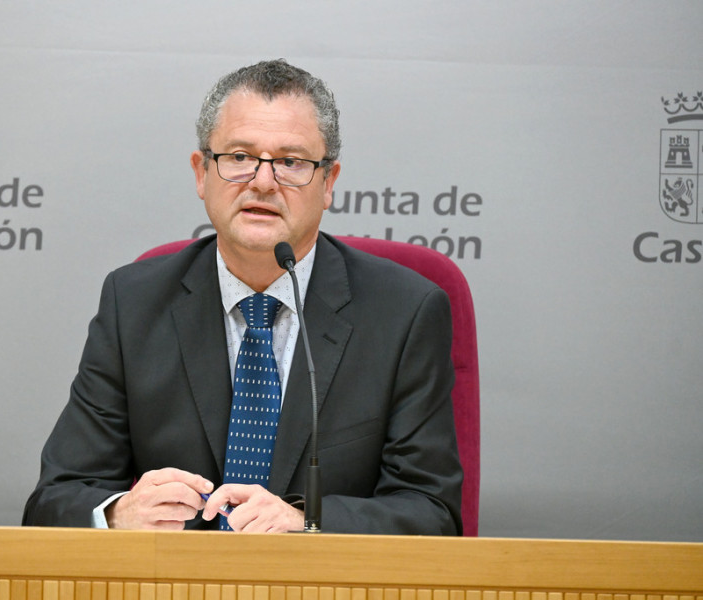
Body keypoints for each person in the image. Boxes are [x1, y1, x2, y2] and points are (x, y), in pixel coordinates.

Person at [23, 59, 462, 534]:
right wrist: (116, 514)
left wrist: (307, 521)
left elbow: (431, 514)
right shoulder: (133, 304)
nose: (262, 181)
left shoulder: (404, 313)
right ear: (201, 173)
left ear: (329, 183)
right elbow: (55, 499)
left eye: (292, 162)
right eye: (238, 156)